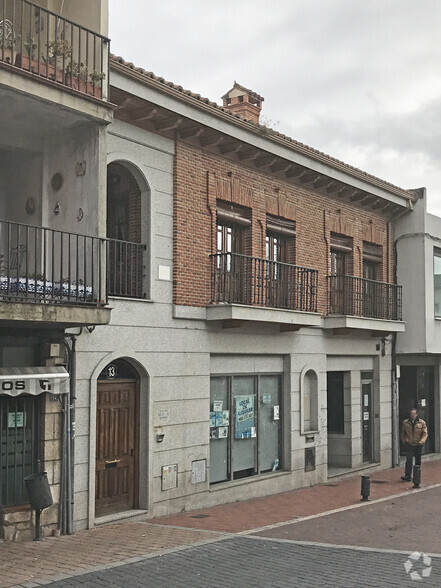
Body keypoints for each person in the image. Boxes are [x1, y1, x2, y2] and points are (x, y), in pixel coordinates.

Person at [400, 408, 428, 481]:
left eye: (413, 414)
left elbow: (425, 433)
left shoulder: (421, 423)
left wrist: (422, 441)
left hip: (418, 444)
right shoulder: (405, 422)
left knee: (418, 461)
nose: (412, 415)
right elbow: (403, 433)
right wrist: (404, 440)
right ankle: (407, 475)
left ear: (416, 414)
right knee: (409, 459)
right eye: (411, 414)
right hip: (409, 444)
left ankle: (417, 476)